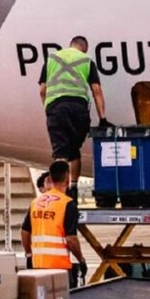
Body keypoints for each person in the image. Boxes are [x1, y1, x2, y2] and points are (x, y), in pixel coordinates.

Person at [39, 36, 108, 201]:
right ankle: (74, 189)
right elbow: (96, 91)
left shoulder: (52, 59)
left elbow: (42, 90)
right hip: (79, 109)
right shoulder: (86, 60)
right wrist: (103, 118)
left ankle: (58, 191)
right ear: (84, 48)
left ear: (70, 45)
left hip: (56, 108)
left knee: (60, 154)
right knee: (74, 152)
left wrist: (48, 109)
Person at [21, 160, 88, 289]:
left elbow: (24, 231)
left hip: (37, 265)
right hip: (58, 268)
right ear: (67, 179)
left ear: (50, 179)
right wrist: (81, 260)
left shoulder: (36, 202)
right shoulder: (67, 204)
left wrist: (29, 254)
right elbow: (71, 239)